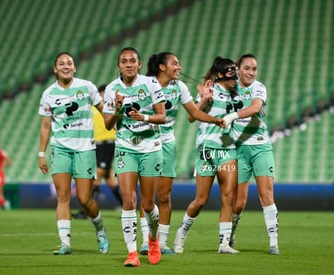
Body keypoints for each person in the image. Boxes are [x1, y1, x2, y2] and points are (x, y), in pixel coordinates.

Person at [138, 52, 225, 255]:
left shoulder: (179, 87)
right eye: (174, 63)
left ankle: (162, 243)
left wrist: (214, 117)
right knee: (147, 196)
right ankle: (145, 241)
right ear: (162, 67)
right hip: (147, 142)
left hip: (167, 143)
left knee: (165, 196)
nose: (179, 67)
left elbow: (194, 114)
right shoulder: (145, 84)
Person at [38, 51, 110, 255]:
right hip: (60, 149)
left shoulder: (87, 87)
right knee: (63, 196)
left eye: (69, 63)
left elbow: (103, 109)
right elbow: (45, 126)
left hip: (85, 148)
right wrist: (41, 154)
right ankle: (65, 244)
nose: (66, 66)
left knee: (85, 199)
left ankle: (100, 230)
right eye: (61, 63)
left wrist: (116, 115)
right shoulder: (48, 94)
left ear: (75, 67)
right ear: (55, 69)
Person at [102, 47, 165, 267]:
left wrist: (144, 117)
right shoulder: (111, 89)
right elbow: (108, 124)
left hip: (150, 147)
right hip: (126, 147)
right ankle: (132, 253)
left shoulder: (150, 84)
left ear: (139, 65)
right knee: (129, 200)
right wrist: (118, 110)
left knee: (148, 205)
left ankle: (154, 240)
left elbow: (162, 117)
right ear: (118, 66)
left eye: (132, 61)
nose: (128, 64)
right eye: (124, 61)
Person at [173, 56, 240, 254]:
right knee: (201, 200)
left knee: (228, 197)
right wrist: (203, 99)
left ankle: (224, 244)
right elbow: (192, 117)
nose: (234, 76)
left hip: (228, 149)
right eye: (230, 72)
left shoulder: (238, 94)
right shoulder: (209, 91)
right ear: (220, 74)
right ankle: (182, 233)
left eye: (235, 72)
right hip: (206, 150)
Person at [222, 53, 280, 255]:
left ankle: (273, 243)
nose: (251, 72)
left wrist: (232, 115)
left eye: (254, 68)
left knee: (266, 194)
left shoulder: (259, 87)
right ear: (238, 69)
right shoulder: (230, 88)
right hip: (239, 150)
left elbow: (255, 107)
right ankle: (231, 235)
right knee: (239, 203)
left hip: (261, 148)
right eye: (247, 68)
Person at [72, 84, 123, 219]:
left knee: (97, 175)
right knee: (110, 180)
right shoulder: (93, 108)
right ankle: (127, 208)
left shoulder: (110, 107)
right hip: (96, 145)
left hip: (108, 143)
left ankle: (87, 212)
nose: (102, 95)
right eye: (101, 93)